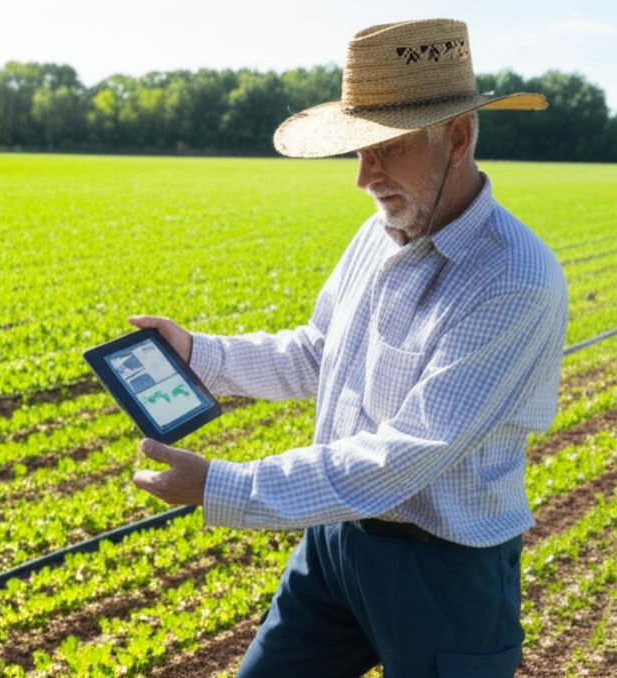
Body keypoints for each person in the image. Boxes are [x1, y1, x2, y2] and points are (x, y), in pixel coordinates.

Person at [129, 18, 567, 678]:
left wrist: (222, 486)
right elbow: (316, 352)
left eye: (385, 147)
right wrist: (199, 355)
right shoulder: (380, 231)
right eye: (358, 150)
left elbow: (400, 459)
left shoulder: (514, 279)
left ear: (457, 134)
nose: (364, 177)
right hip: (334, 545)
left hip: (442, 571)